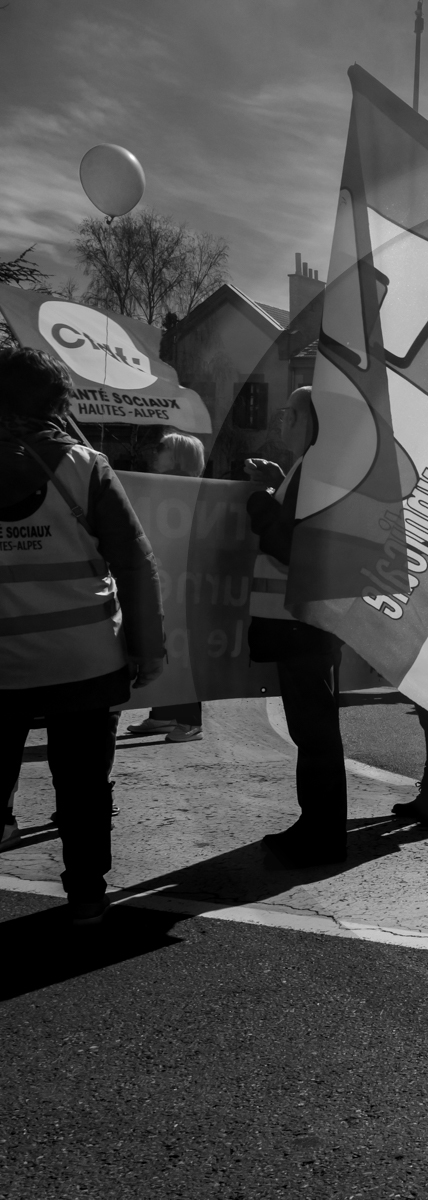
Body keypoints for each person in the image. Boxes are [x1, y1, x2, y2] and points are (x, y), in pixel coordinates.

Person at [0, 346, 164, 923]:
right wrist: (147, 649)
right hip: (84, 661)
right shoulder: (85, 466)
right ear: (56, 402)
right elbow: (137, 565)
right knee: (84, 785)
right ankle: (88, 899)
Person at [245, 387, 350, 868]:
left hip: (301, 623)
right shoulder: (310, 466)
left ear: (313, 420)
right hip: (303, 622)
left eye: (291, 412)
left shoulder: (317, 469)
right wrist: (272, 489)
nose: (281, 419)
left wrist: (260, 506)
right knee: (314, 729)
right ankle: (318, 826)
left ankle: (321, 834)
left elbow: (293, 546)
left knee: (315, 731)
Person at [127, 431, 207, 742]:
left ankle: (188, 720)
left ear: (176, 456)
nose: (155, 452)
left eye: (162, 448)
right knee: (166, 644)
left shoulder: (183, 489)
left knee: (180, 649)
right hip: (166, 578)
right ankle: (163, 714)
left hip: (181, 581)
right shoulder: (162, 487)